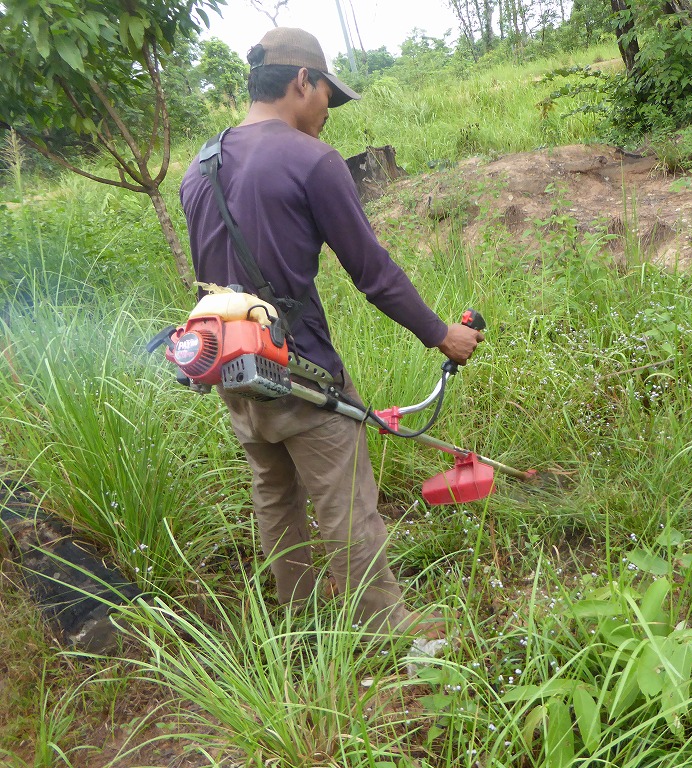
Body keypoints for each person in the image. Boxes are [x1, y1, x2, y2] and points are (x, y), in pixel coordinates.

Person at [179, 27, 482, 637]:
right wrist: (441, 334)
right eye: (326, 97)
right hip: (301, 367)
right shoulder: (311, 162)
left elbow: (214, 280)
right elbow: (373, 272)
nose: (327, 113)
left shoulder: (199, 168)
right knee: (345, 505)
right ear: (301, 82)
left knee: (274, 494)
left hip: (231, 366)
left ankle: (303, 621)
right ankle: (391, 631)